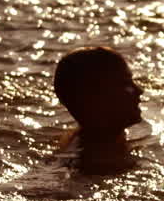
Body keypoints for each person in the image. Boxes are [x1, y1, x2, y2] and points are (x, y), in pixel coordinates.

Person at [53, 46, 144, 174]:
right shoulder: (102, 164)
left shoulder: (78, 137)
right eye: (125, 83)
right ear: (96, 98)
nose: (139, 90)